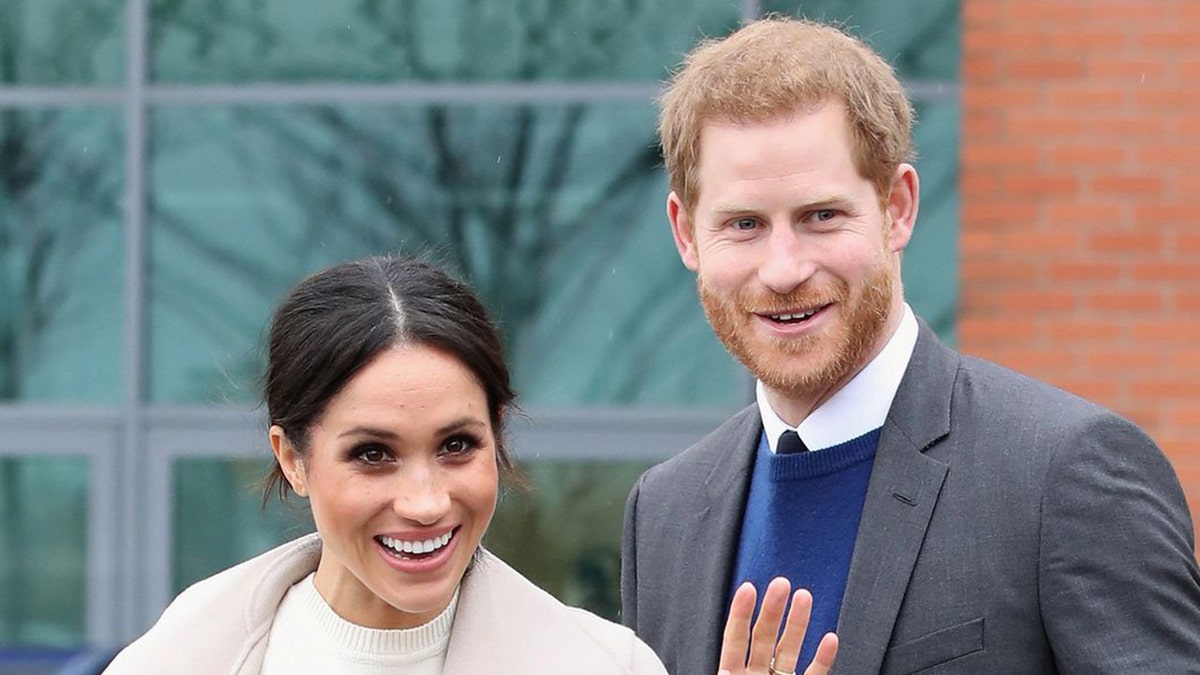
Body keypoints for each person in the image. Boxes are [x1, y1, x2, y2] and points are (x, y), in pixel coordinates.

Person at [621, 16, 1200, 675]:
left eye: (821, 216)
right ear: (686, 234)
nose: (783, 269)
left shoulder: (1065, 475)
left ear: (897, 207)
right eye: (744, 224)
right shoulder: (663, 514)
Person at [101, 254, 833, 675]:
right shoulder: (176, 660)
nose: (424, 500)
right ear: (291, 458)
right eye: (372, 454)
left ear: (499, 436)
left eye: (457, 445)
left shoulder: (608, 668)